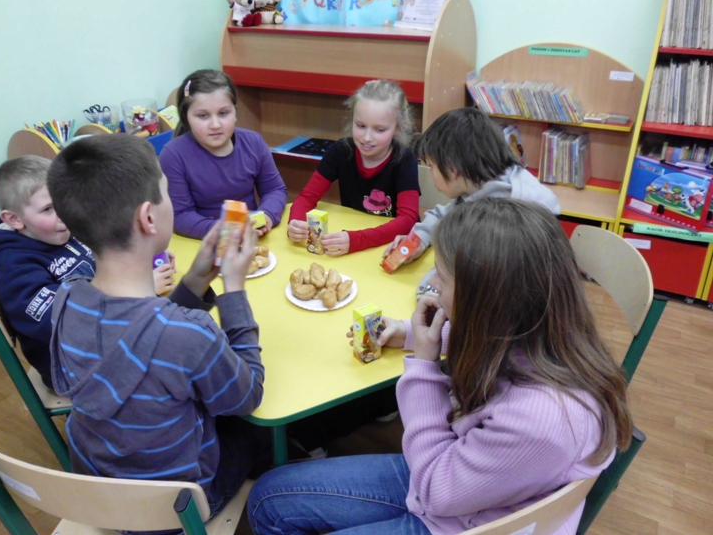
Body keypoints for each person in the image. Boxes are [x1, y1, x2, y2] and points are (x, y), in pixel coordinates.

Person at [248, 198, 632, 535]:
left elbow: (435, 492)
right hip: (467, 477)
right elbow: (499, 343)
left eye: (443, 279)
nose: (431, 283)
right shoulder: (550, 332)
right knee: (268, 497)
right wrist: (410, 334)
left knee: (271, 504)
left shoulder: (542, 419)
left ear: (486, 304)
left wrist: (423, 365)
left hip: (456, 511)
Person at [46, 135, 270, 517]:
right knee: (263, 430)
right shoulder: (189, 333)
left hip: (106, 495)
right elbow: (248, 394)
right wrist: (234, 289)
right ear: (148, 218)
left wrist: (195, 280)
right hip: (177, 507)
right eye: (166, 193)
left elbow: (141, 335)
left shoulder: (66, 298)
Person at [0, 155, 177, 389]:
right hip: (76, 369)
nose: (65, 213)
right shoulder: (14, 266)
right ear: (14, 219)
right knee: (175, 362)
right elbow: (68, 322)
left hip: (109, 333)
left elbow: (107, 252)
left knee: (180, 336)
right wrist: (135, 289)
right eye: (48, 209)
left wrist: (141, 256)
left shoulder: (63, 228)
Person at [382, 107, 560, 296]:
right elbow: (443, 215)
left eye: (431, 166)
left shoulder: (504, 214)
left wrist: (430, 291)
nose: (430, 174)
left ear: (453, 169)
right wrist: (417, 240)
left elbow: (472, 277)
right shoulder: (480, 183)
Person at [287, 79, 420, 256]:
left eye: (380, 130)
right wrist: (295, 222)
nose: (367, 137)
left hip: (385, 248)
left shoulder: (404, 159)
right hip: (352, 243)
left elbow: (408, 220)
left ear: (398, 127)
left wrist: (357, 240)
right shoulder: (341, 151)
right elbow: (306, 197)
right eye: (361, 126)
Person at [159, 69, 288, 239]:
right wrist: (227, 231)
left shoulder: (254, 142)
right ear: (186, 118)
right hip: (201, 243)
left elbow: (275, 189)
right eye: (203, 115)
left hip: (251, 239)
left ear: (235, 112)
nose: (215, 125)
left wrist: (267, 215)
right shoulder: (173, 155)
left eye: (223, 113)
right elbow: (180, 216)